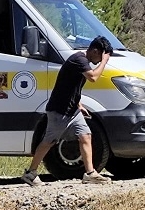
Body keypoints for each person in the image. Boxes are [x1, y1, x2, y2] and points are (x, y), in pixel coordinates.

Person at [22, 36, 114, 186]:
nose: (99, 60)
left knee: (86, 136)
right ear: (96, 51)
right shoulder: (79, 60)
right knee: (49, 141)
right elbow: (93, 77)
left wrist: (79, 105)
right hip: (59, 110)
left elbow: (70, 86)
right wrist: (105, 61)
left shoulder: (82, 62)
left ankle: (90, 173)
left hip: (72, 110)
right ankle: (31, 173)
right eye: (100, 56)